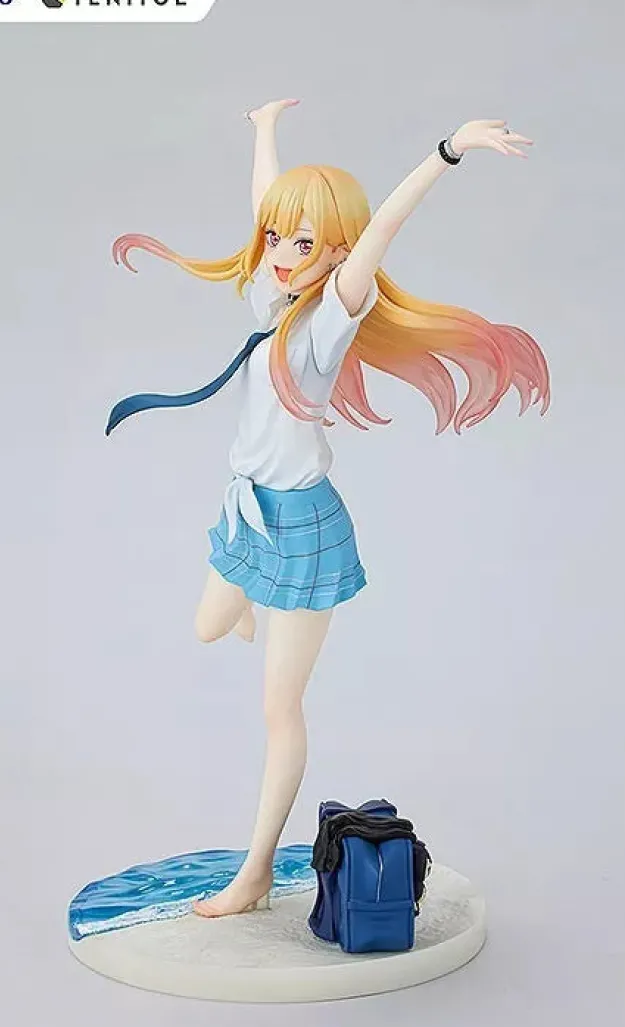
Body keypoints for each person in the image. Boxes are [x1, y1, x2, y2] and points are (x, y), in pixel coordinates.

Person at [108, 98, 550, 917]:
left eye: (305, 244)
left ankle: (253, 874)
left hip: (304, 529)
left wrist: (449, 150)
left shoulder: (328, 323)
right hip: (246, 511)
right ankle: (255, 604)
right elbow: (266, 208)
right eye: (278, 240)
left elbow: (383, 226)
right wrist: (263, 130)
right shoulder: (270, 300)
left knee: (278, 709)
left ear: (339, 253)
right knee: (208, 625)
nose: (281, 255)